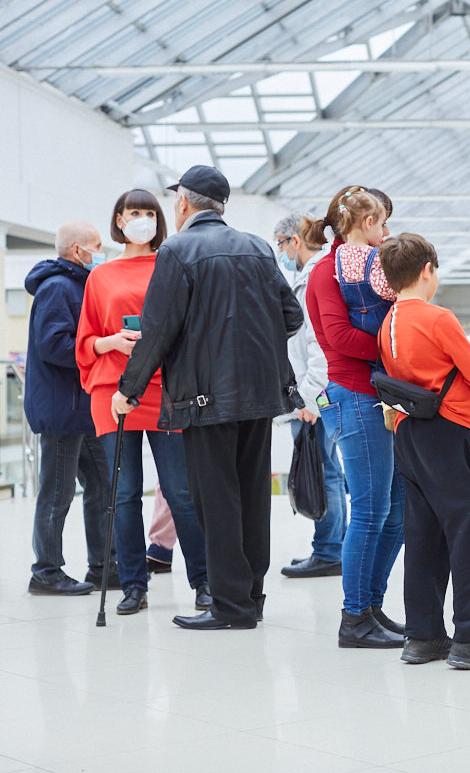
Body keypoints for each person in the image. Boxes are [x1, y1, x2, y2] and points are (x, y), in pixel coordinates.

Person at [112, 165, 304, 630]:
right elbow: (291, 316)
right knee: (253, 500)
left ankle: (230, 607)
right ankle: (250, 600)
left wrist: (128, 391)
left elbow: (157, 332)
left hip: (204, 399)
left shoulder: (177, 250)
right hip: (259, 397)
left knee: (216, 503)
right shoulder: (258, 247)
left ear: (184, 203)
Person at [379, 232, 470, 670]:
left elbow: (422, 372)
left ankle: (422, 636)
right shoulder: (438, 317)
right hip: (449, 430)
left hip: (409, 433)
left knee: (424, 537)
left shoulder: (388, 322)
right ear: (428, 271)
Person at [77, 189, 210, 617]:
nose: (142, 219)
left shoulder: (173, 263)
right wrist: (111, 340)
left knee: (181, 491)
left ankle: (204, 581)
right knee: (124, 493)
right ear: (118, 220)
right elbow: (85, 341)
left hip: (166, 390)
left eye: (149, 212)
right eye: (133, 212)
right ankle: (133, 585)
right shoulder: (100, 276)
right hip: (113, 393)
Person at [304, 186, 407, 648]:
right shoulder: (327, 271)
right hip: (355, 395)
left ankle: (371, 605)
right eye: (382, 223)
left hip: (383, 397)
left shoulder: (368, 269)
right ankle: (354, 618)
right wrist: (401, 351)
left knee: (398, 510)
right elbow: (341, 337)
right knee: (370, 510)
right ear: (366, 223)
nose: (387, 233)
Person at [24, 221, 111, 596]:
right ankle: (45, 572)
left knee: (104, 486)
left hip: (83, 408)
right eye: (96, 245)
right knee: (56, 494)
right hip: (62, 409)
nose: (101, 251)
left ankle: (104, 565)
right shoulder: (58, 288)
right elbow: (53, 345)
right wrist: (98, 348)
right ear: (78, 251)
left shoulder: (80, 284)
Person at [273, 212, 348, 578]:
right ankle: (332, 547)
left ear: (295, 241)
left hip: (315, 396)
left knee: (324, 472)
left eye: (281, 244)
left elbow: (319, 345)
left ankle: (330, 550)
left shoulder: (314, 277)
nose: (281, 253)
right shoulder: (311, 276)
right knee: (328, 470)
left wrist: (308, 399)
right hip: (316, 394)